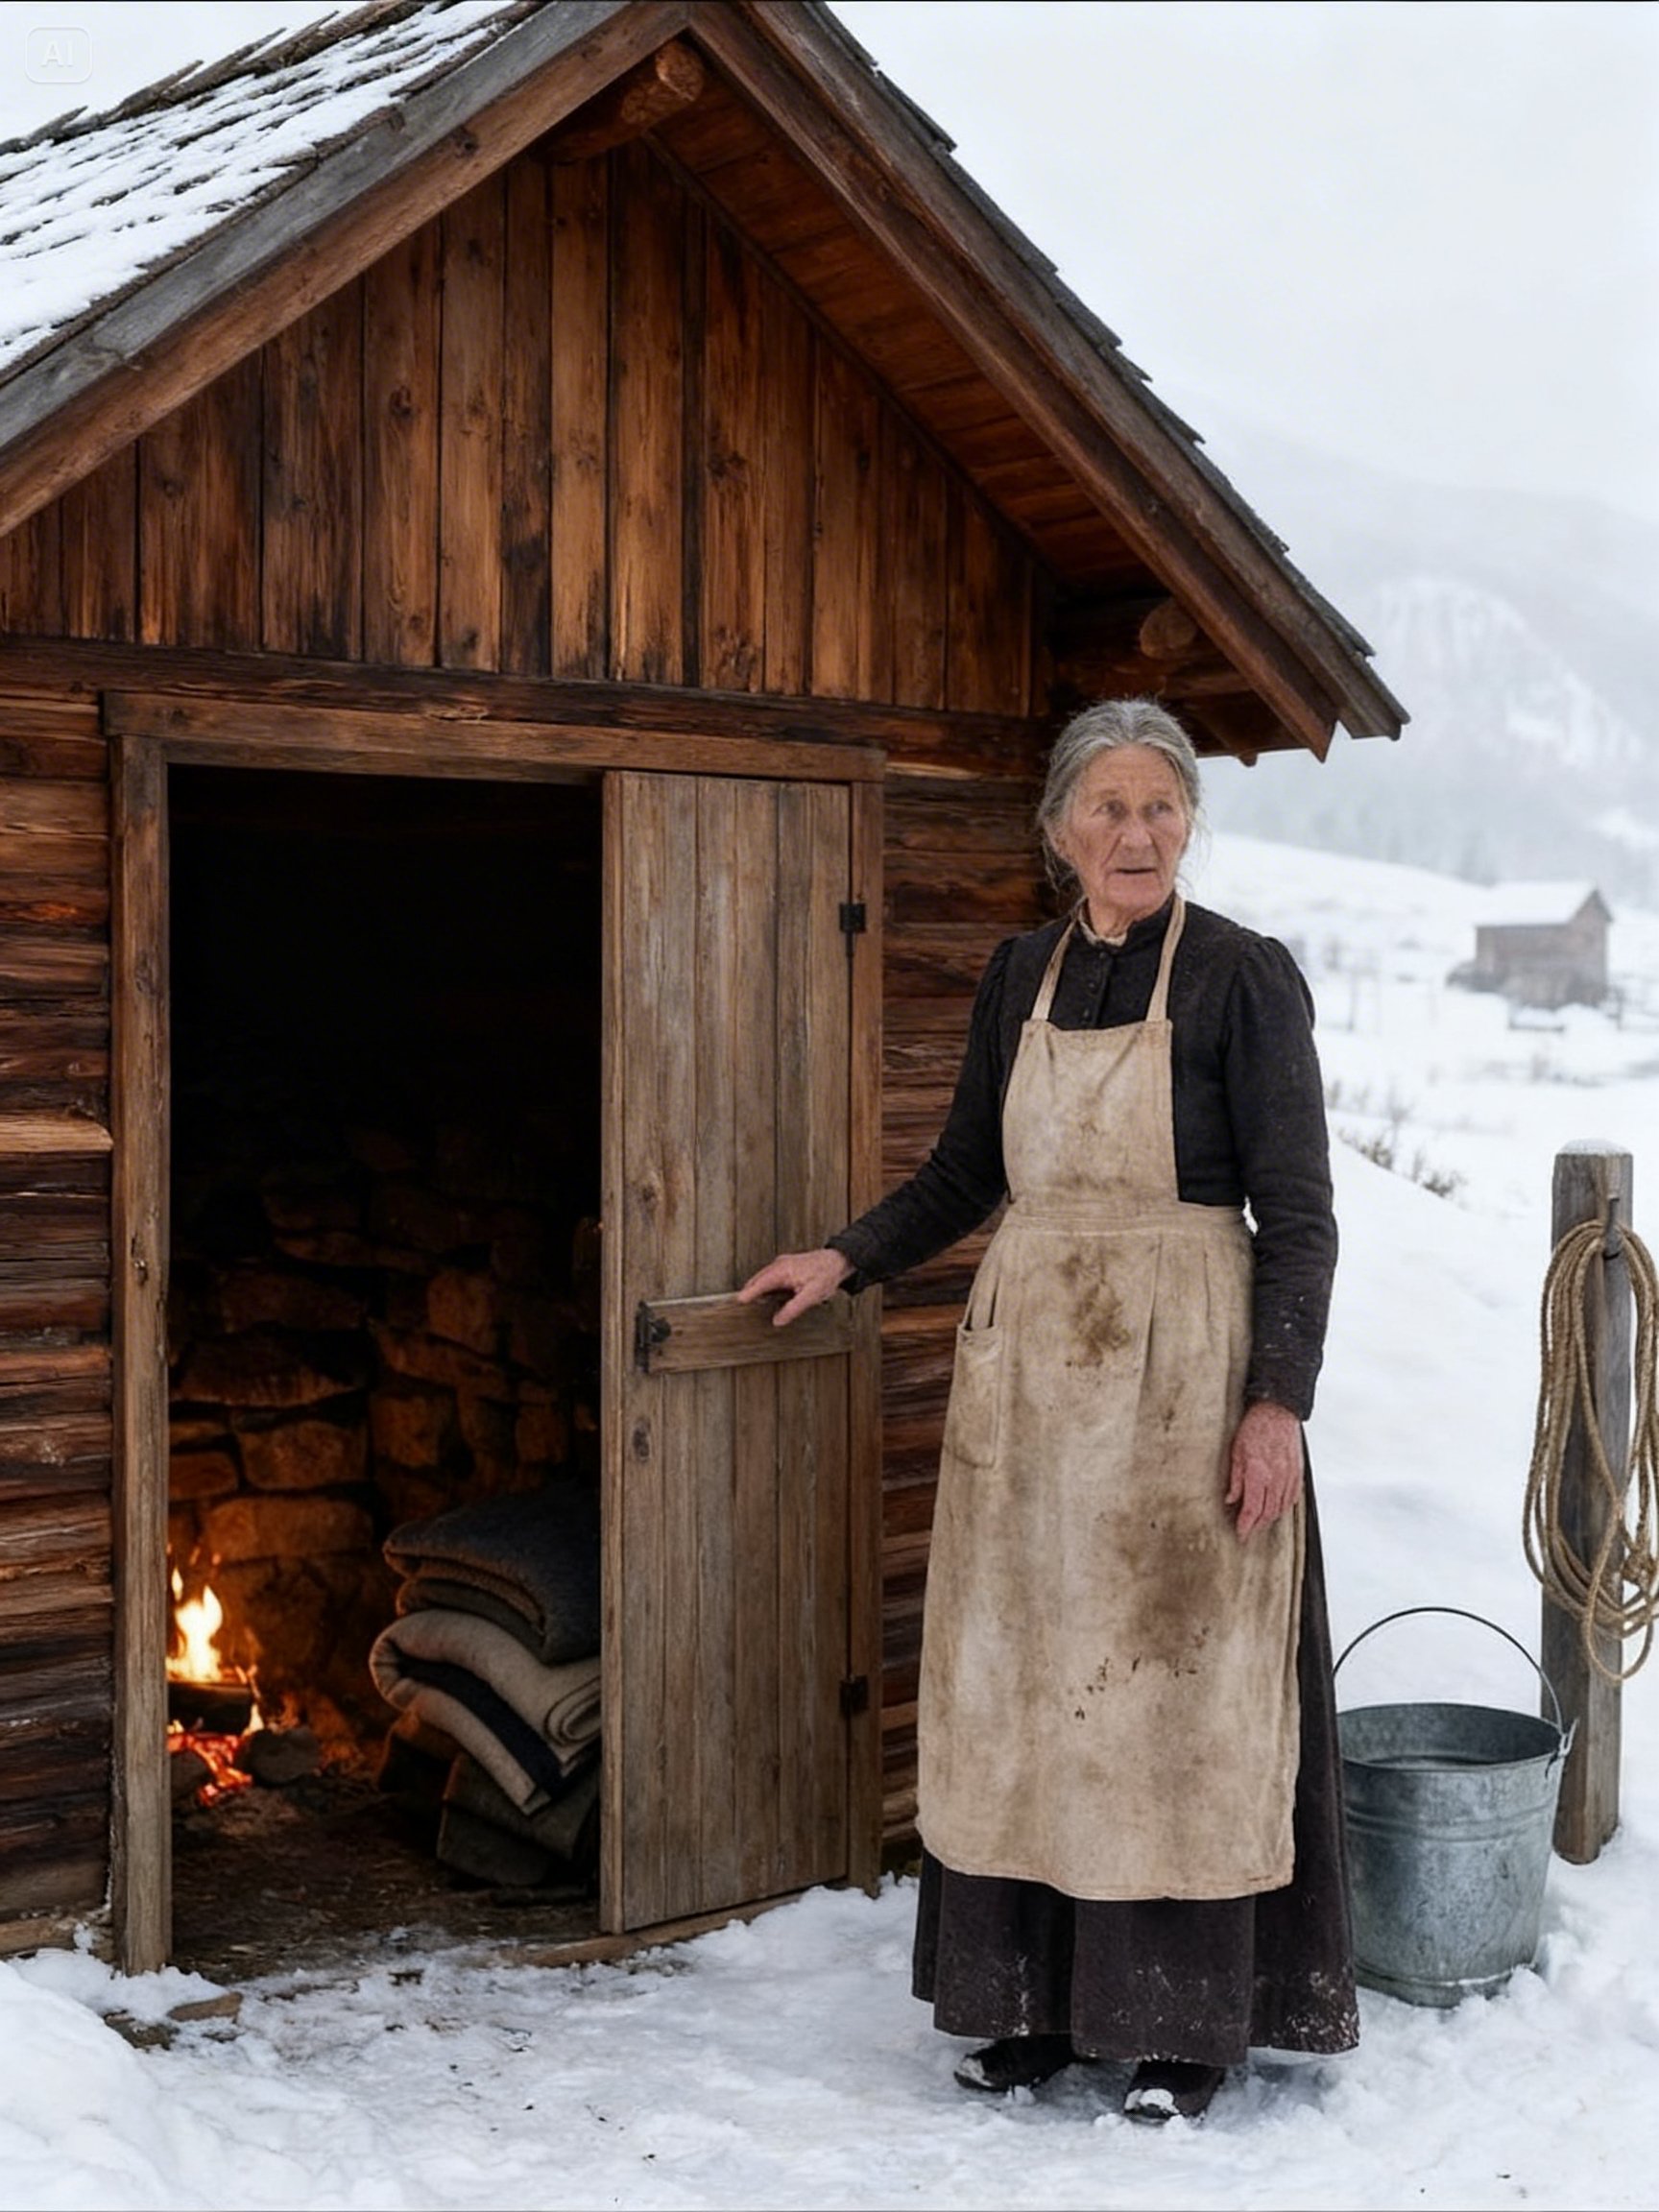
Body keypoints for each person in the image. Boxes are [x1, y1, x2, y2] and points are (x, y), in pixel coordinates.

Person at [737, 695, 1358, 2124]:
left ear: (1190, 821)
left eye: (1162, 806)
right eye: (1109, 808)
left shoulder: (1244, 979)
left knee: (1173, 1698)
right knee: (1021, 1683)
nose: (1136, 834)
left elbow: (1304, 1218)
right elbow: (967, 1171)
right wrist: (845, 1258)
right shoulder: (1018, 968)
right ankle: (1036, 2008)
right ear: (1059, 830)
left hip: (1183, 1379)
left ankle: (1181, 2029)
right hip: (1030, 1393)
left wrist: (1277, 1406)